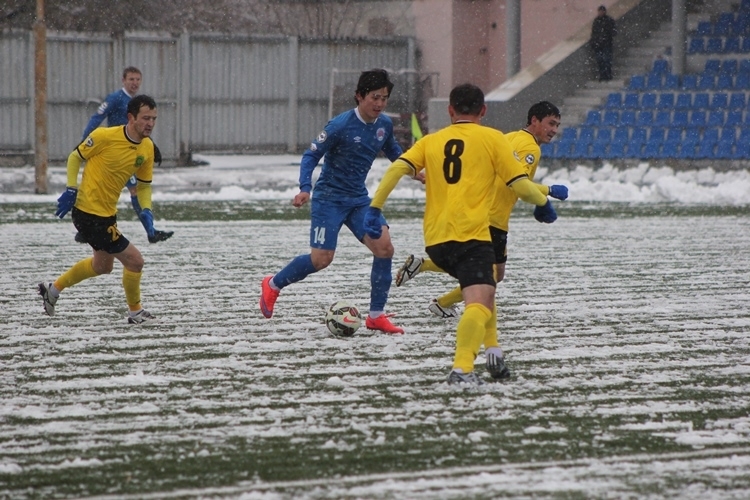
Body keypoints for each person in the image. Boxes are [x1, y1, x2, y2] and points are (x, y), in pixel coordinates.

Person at [365, 83, 558, 385]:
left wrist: (375, 208)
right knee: (479, 301)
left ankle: (493, 353)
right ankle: (463, 369)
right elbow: (519, 184)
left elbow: (395, 170)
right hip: (473, 235)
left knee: (486, 286)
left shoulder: (432, 140)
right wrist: (543, 202)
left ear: (450, 110)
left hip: (436, 239)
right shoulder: (493, 138)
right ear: (483, 110)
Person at [259, 69, 408, 334]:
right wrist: (305, 188)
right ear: (359, 96)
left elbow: (394, 151)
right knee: (321, 259)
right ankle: (273, 284)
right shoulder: (339, 125)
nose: (380, 104)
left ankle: (376, 316)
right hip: (329, 199)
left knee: (385, 248)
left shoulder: (384, 125)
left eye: (384, 98)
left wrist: (415, 170)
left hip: (358, 200)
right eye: (374, 97)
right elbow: (310, 155)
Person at [396, 102, 568, 324]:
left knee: (483, 268)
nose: (554, 130)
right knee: (491, 274)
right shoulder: (531, 149)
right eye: (551, 123)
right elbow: (517, 183)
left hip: (479, 209)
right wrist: (549, 191)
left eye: (557, 125)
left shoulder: (509, 137)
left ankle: (426, 271)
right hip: (494, 217)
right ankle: (441, 301)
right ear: (534, 120)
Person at [38, 95, 162, 324]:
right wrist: (71, 189)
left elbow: (144, 186)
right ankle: (135, 312)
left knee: (102, 266)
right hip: (88, 213)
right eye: (146, 118)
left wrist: (146, 210)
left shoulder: (147, 147)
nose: (150, 123)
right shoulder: (105, 136)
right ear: (131, 117)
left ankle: (52, 290)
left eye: (154, 119)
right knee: (135, 261)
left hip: (106, 214)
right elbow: (74, 157)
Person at [79, 66, 173, 244]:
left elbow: (139, 131)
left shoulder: (139, 103)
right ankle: (149, 231)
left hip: (131, 154)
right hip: (115, 154)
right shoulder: (116, 98)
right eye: (131, 79)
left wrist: (152, 146)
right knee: (119, 189)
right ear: (123, 80)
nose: (134, 83)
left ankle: (150, 231)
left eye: (138, 79)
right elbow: (97, 117)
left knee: (132, 189)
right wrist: (85, 141)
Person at [591, 5, 617, 81]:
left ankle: (608, 75)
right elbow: (594, 33)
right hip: (598, 45)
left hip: (606, 44)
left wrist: (606, 36)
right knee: (600, 61)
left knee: (606, 60)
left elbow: (613, 31)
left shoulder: (608, 20)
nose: (600, 13)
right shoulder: (596, 21)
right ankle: (602, 76)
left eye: (602, 11)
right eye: (600, 11)